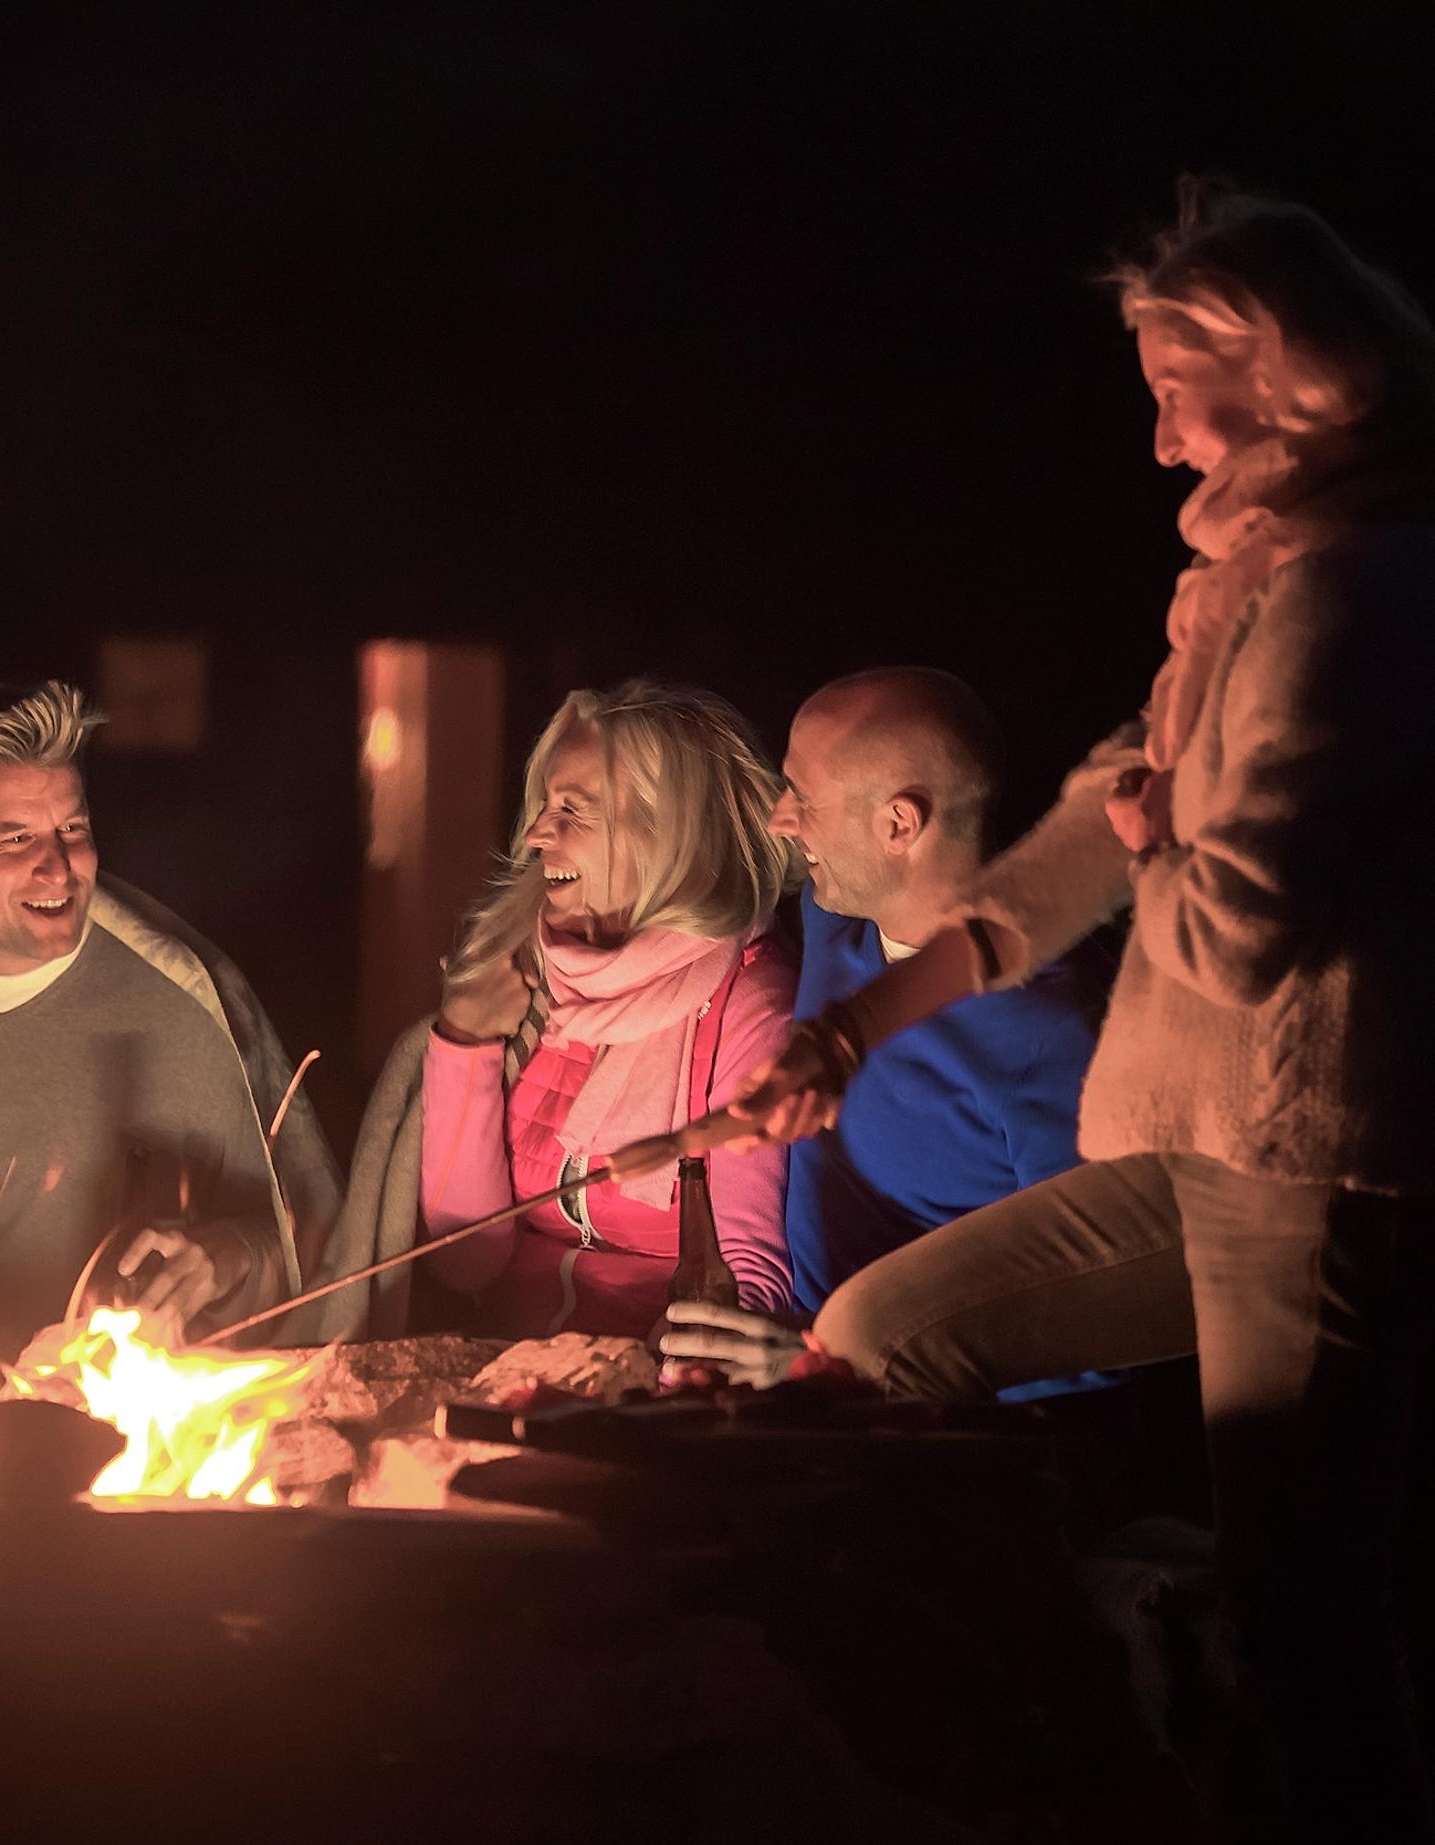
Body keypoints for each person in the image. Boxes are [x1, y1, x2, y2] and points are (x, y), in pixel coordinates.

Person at [677, 189, 1435, 1839]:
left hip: (1303, 1162)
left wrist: (1156, 829)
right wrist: (842, 1040)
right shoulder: (1240, 592)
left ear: (1284, 371)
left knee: (1304, 1625)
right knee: (882, 1334)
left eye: (1175, 389)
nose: (1158, 439)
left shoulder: (1346, 599)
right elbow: (1064, 857)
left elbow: (1239, 926)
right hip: (1190, 1146)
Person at [0, 678, 340, 1364]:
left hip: (111, 1420)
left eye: (73, 829)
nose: (59, 867)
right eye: (16, 838)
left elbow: (309, 1243)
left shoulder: (177, 1006)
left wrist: (225, 1256)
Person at [416, 679, 797, 1339]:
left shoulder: (750, 1002)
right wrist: (463, 1041)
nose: (538, 833)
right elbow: (465, 1259)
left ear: (666, 833)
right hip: (507, 1363)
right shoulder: (524, 978)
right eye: (543, 805)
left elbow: (750, 1284)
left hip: (655, 1379)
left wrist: (647, 1380)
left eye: (573, 808)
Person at [720, 667, 1105, 1319]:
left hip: (910, 1372)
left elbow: (1090, 1308)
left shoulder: (1050, 1030)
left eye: (802, 798)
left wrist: (833, 1361)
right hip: (791, 1336)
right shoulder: (836, 917)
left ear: (899, 823)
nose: (780, 820)